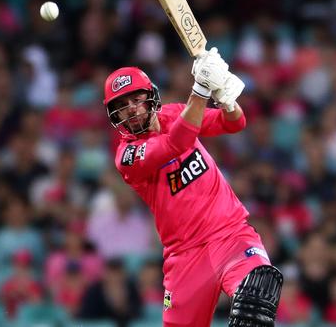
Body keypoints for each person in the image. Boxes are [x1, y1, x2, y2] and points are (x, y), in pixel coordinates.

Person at [102, 48, 283, 326]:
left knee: (255, 301)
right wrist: (200, 90)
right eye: (121, 106)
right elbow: (178, 142)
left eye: (136, 99)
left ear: (151, 96)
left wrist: (225, 98)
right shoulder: (127, 156)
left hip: (231, 235)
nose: (131, 110)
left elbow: (234, 123)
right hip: (185, 258)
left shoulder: (175, 114)